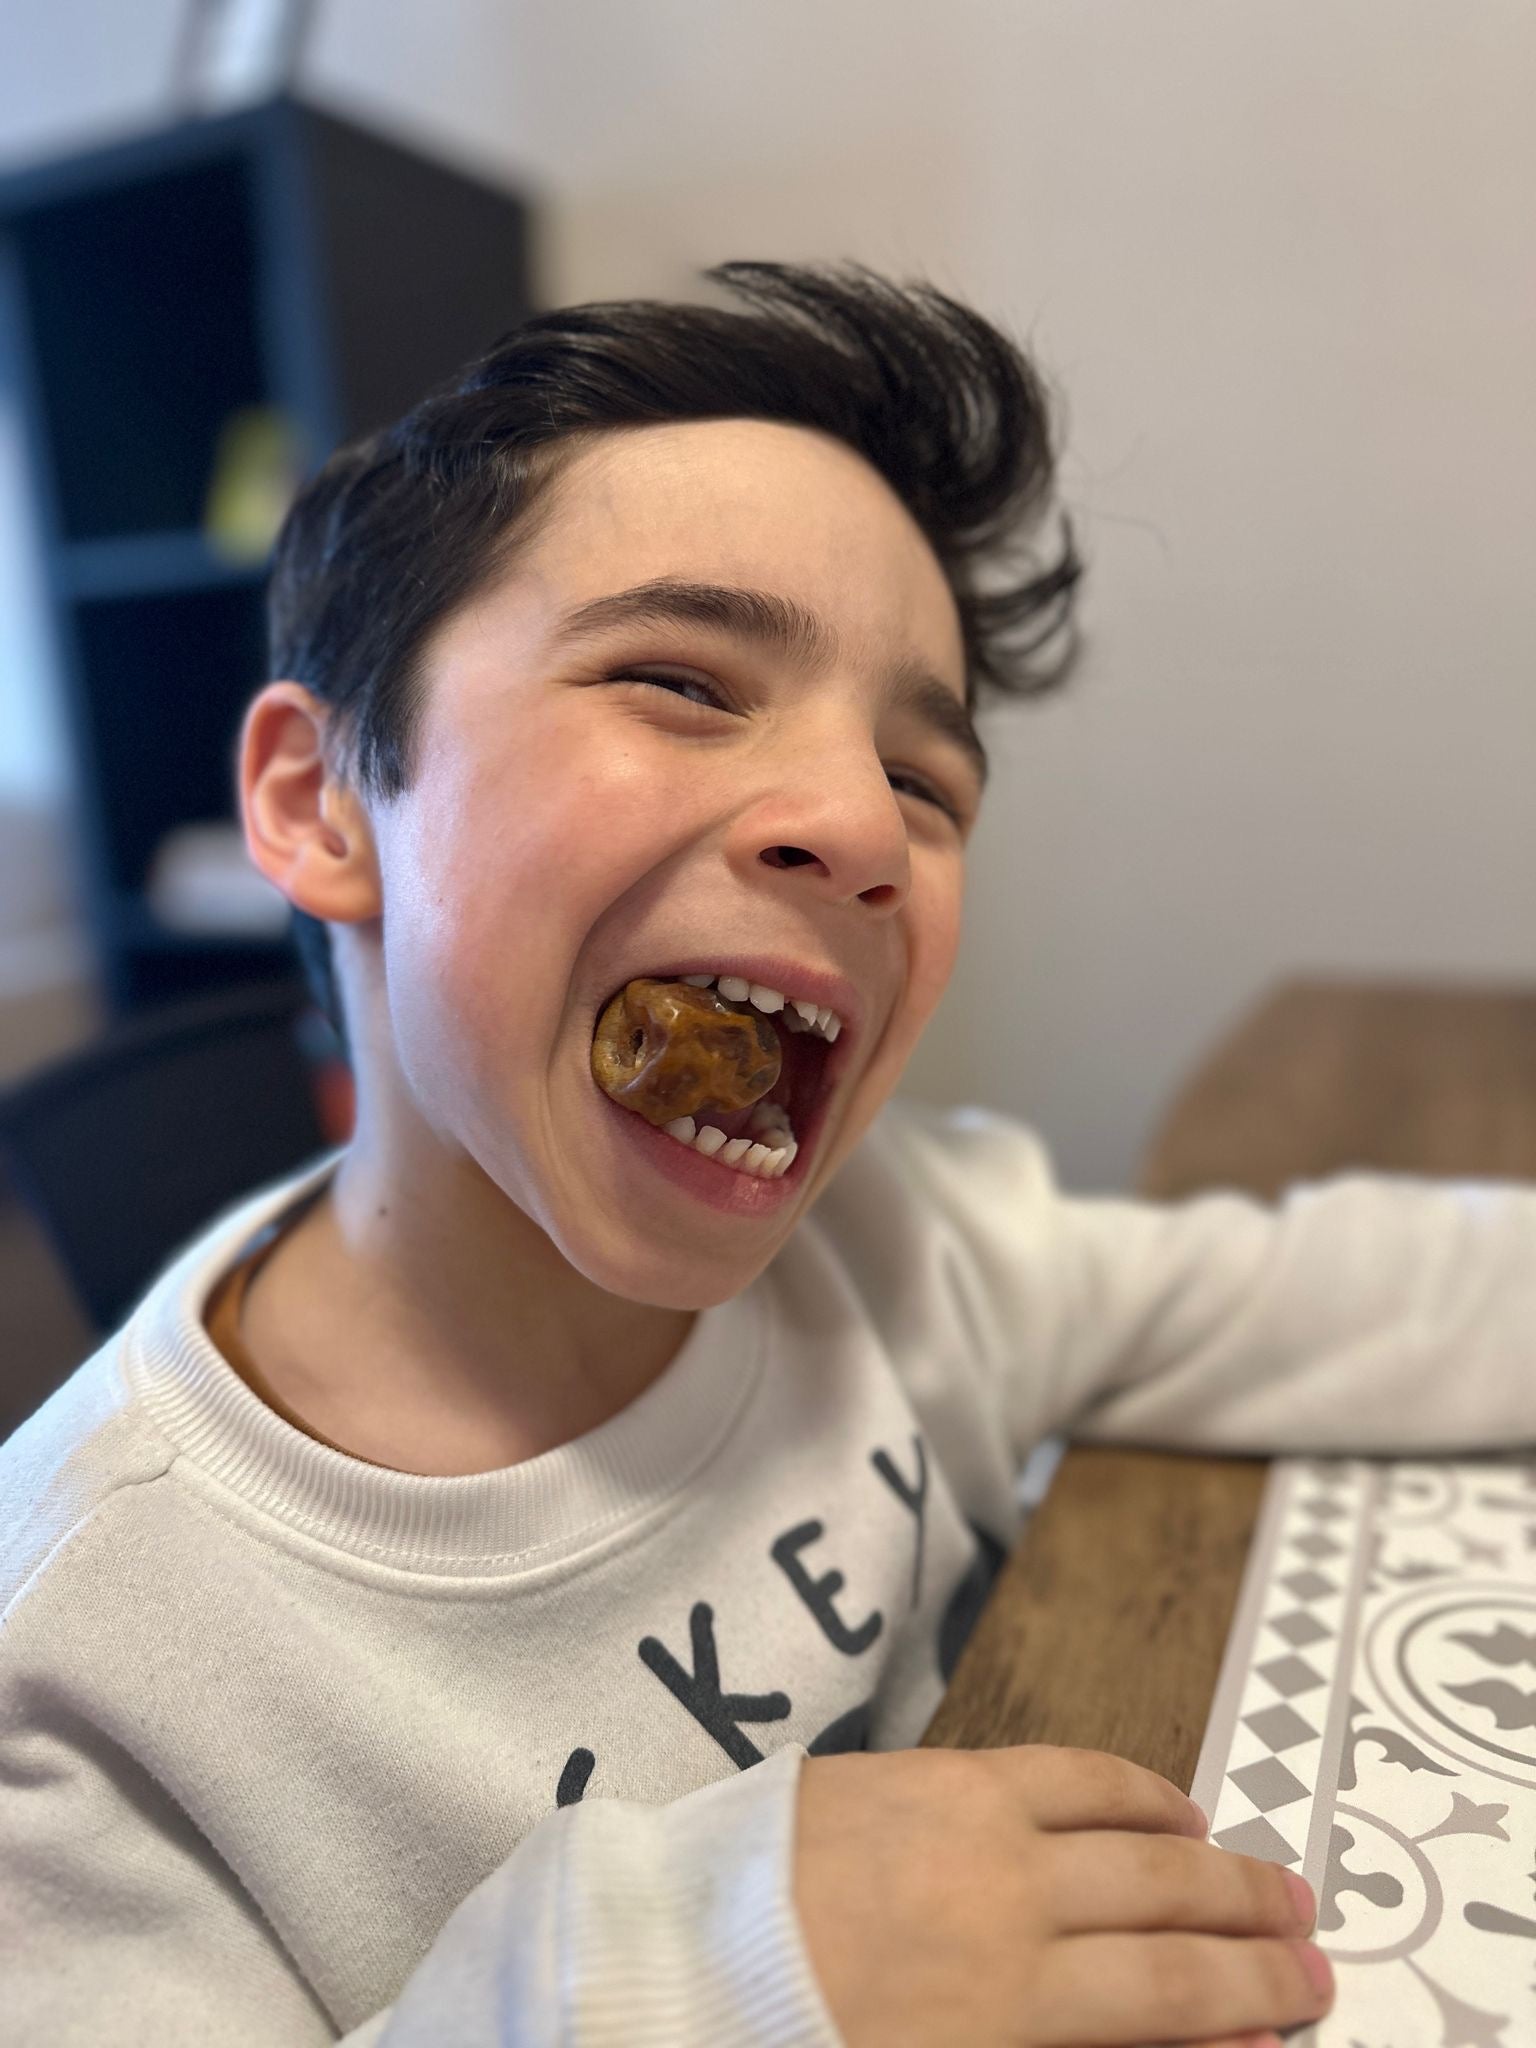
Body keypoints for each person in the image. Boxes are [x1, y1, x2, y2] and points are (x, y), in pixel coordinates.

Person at [2, 262, 1531, 2048]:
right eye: (679, 681)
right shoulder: (81, 1682)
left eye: (927, 783)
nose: (862, 826)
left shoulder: (904, 1240)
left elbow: (1340, 1291)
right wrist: (658, 1982)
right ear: (319, 801)